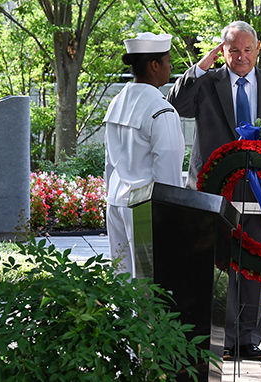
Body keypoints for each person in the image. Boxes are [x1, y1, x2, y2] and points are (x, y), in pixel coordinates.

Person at [166, 20, 261, 361]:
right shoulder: (206, 83)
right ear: (223, 51)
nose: (241, 56)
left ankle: (248, 338)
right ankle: (217, 337)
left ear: (258, 49)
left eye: (248, 50)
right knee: (217, 266)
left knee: (257, 264)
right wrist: (201, 66)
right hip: (213, 190)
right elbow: (177, 103)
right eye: (234, 50)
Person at [104, 32, 184, 278]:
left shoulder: (116, 102)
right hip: (147, 207)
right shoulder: (161, 110)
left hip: (116, 201)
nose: (171, 67)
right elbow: (168, 172)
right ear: (154, 65)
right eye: (168, 61)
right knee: (151, 284)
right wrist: (171, 217)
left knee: (121, 279)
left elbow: (109, 163)